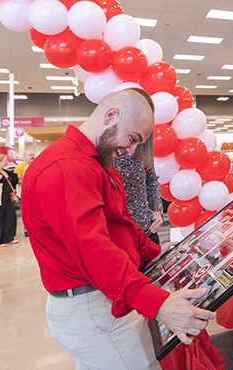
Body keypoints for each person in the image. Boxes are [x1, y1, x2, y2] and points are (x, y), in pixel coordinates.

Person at [21, 89, 215, 370]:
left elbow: (120, 227)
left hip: (102, 299)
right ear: (110, 116)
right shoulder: (67, 167)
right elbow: (95, 252)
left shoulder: (96, 163)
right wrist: (158, 304)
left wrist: (159, 253)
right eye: (133, 138)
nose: (132, 151)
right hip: (93, 305)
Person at [113, 134, 163, 246]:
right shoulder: (106, 151)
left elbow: (152, 180)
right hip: (117, 236)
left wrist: (157, 209)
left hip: (146, 229)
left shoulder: (143, 149)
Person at [0, 153, 19, 248]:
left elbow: (10, 183)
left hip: (7, 197)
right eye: (5, 160)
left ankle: (8, 237)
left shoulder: (5, 171)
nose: (7, 162)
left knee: (10, 217)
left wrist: (13, 194)